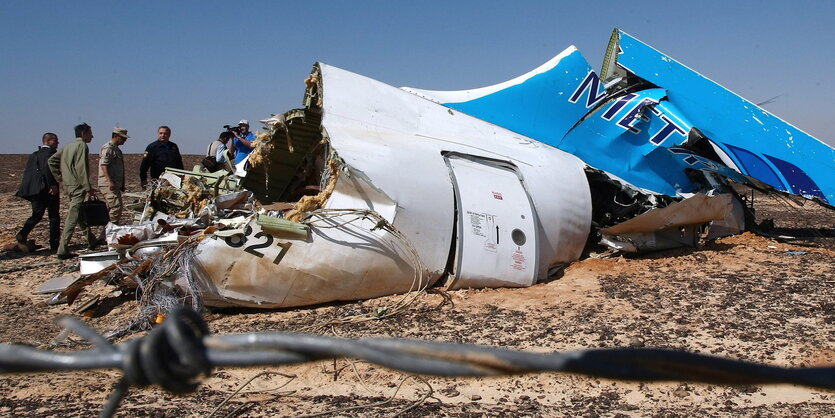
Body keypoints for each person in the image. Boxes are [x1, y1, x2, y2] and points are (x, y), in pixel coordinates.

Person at [48, 123, 99, 260]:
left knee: (78, 213)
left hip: (69, 186)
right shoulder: (82, 146)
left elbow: (52, 161)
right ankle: (62, 249)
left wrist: (61, 177)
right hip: (78, 187)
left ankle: (91, 240)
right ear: (83, 134)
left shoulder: (68, 146)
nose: (92, 136)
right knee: (72, 217)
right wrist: (88, 187)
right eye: (90, 133)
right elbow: (81, 168)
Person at [15, 133, 61, 252]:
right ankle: (54, 244)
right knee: (54, 216)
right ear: (48, 141)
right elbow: (48, 168)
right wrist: (53, 185)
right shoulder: (50, 153)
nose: (57, 143)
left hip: (35, 190)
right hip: (47, 189)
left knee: (37, 215)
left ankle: (23, 234)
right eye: (55, 141)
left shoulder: (35, 154)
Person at [98, 127, 129, 230]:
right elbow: (104, 165)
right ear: (116, 136)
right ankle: (108, 233)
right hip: (108, 184)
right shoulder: (108, 148)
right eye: (123, 138)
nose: (125, 140)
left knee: (113, 208)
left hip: (114, 183)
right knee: (116, 208)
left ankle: (107, 232)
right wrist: (110, 181)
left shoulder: (116, 149)